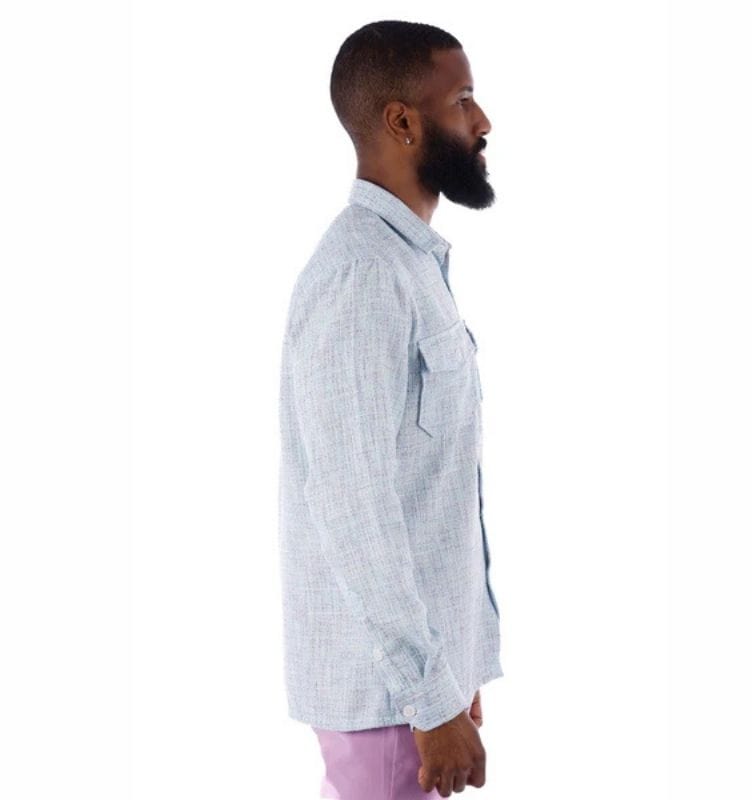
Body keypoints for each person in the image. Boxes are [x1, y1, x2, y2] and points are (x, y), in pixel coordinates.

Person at [277, 19, 502, 798]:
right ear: (402, 121)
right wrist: (428, 694)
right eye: (462, 99)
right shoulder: (363, 276)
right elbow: (353, 506)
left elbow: (424, 491)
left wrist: (454, 670)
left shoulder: (409, 267)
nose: (482, 121)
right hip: (391, 707)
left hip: (416, 693)